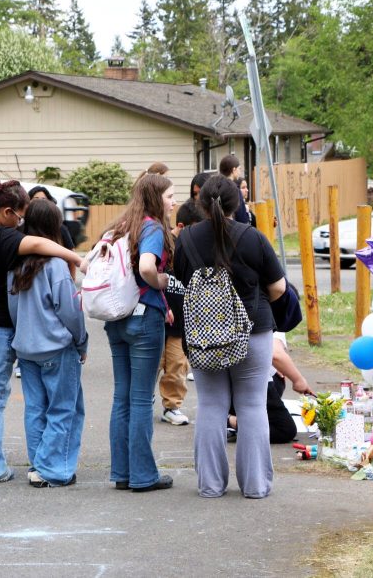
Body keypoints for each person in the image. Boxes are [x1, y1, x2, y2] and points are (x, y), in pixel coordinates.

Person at [0, 178, 84, 484]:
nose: (19, 223)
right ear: (7, 211)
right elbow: (37, 244)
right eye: (18, 216)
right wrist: (74, 257)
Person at [173, 174, 286, 499]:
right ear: (237, 203)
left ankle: (210, 485)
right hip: (252, 330)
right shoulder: (253, 237)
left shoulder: (188, 239)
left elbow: (181, 282)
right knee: (252, 406)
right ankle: (255, 486)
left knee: (210, 406)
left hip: (203, 335)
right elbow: (278, 288)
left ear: (200, 203)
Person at [102, 173, 176, 492]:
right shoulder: (153, 228)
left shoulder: (121, 225)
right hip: (144, 318)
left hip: (116, 317)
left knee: (123, 397)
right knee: (142, 399)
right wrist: (161, 282)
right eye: (170, 196)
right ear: (156, 198)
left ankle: (122, 472)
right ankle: (144, 475)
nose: (174, 201)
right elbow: (147, 266)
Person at [8, 199, 88, 488]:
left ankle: (38, 464)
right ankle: (54, 469)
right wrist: (82, 342)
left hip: (26, 348)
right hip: (56, 347)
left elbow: (13, 310)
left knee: (36, 408)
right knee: (64, 408)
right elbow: (70, 310)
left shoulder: (16, 264)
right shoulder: (56, 266)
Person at [158, 200, 204, 426]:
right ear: (182, 226)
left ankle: (172, 406)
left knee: (177, 366)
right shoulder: (165, 244)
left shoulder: (196, 249)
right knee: (152, 364)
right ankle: (142, 400)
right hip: (159, 316)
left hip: (181, 322)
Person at [227, 333, 313, 444]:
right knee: (284, 430)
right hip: (247, 378)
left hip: (218, 377)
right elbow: (275, 354)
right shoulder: (274, 319)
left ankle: (230, 415)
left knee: (276, 375)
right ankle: (228, 421)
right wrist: (298, 380)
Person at [27, 185, 75, 250]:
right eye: (36, 199)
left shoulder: (60, 228)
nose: (40, 203)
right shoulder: (23, 226)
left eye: (43, 199)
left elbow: (71, 252)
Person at [218, 155, 251, 224]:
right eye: (239, 169)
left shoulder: (215, 186)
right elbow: (242, 219)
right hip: (231, 229)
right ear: (234, 170)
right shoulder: (234, 190)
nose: (240, 172)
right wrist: (247, 213)